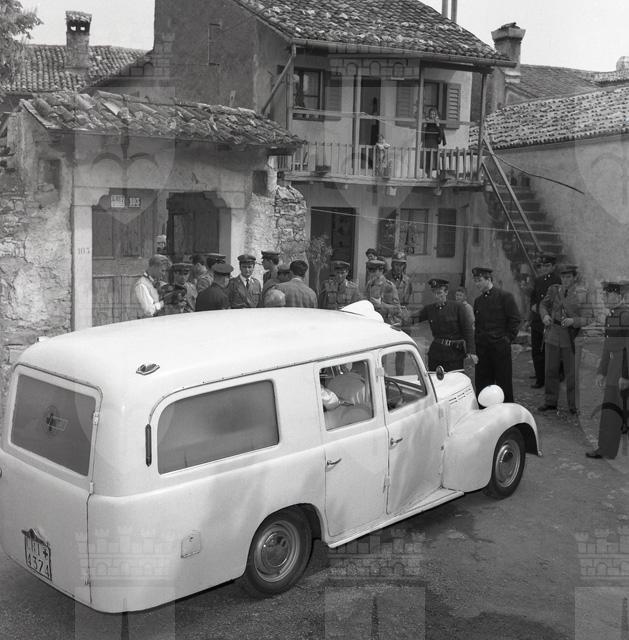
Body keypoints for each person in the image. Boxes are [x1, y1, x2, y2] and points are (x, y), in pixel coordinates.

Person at [537, 264, 589, 414]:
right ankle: (550, 401)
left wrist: (574, 321)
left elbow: (589, 317)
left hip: (571, 337)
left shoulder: (582, 294)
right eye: (563, 277)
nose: (565, 279)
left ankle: (574, 405)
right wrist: (545, 315)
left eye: (568, 277)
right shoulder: (554, 290)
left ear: (574, 277)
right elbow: (543, 305)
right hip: (553, 334)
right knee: (550, 370)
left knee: (572, 373)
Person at [586, 282, 629, 459]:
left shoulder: (625, 316)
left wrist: (625, 375)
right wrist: (601, 371)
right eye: (603, 294)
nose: (603, 298)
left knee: (611, 411)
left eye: (607, 294)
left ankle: (606, 449)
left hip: (621, 368)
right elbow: (607, 346)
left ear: (618, 296)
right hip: (613, 366)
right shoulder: (611, 316)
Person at [472, 266, 521, 404]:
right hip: (483, 350)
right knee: (482, 384)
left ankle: (506, 413)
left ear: (488, 279)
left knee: (503, 383)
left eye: (479, 280)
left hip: (500, 349)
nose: (476, 284)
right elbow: (478, 326)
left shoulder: (505, 297)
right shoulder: (478, 301)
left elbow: (515, 320)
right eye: (475, 280)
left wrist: (507, 339)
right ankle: (484, 411)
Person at [416, 278, 477, 371]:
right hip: (436, 355)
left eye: (439, 293)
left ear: (446, 292)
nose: (436, 296)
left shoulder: (457, 308)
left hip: (454, 355)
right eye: (434, 293)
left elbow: (468, 330)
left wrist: (471, 352)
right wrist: (401, 317)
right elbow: (414, 319)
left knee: (454, 379)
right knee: (434, 378)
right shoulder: (429, 309)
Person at [529, 254, 561, 389]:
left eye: (547, 265)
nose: (544, 268)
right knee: (537, 350)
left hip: (551, 320)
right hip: (537, 320)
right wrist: (533, 308)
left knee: (551, 352)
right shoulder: (538, 280)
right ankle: (540, 376)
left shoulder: (558, 281)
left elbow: (559, 302)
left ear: (553, 266)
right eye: (542, 266)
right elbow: (533, 298)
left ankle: (554, 376)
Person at [363, 259, 400, 324]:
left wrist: (381, 305)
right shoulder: (369, 284)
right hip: (371, 321)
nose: (371, 274)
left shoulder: (389, 286)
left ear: (381, 271)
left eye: (373, 271)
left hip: (385, 322)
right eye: (369, 271)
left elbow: (397, 309)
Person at [385, 252, 413, 328]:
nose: (399, 267)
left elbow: (408, 297)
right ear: (392, 265)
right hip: (388, 314)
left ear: (404, 266)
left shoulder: (407, 280)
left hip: (402, 314)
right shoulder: (385, 278)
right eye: (396, 264)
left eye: (401, 265)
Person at [422, 107, 446, 177]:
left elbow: (441, 133)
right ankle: (428, 174)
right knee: (427, 158)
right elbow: (423, 132)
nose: (432, 116)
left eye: (434, 114)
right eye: (431, 114)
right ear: (429, 114)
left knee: (434, 159)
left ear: (436, 115)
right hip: (427, 142)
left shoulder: (437, 122)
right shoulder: (427, 121)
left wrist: (438, 125)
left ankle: (437, 175)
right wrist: (425, 124)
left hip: (434, 142)